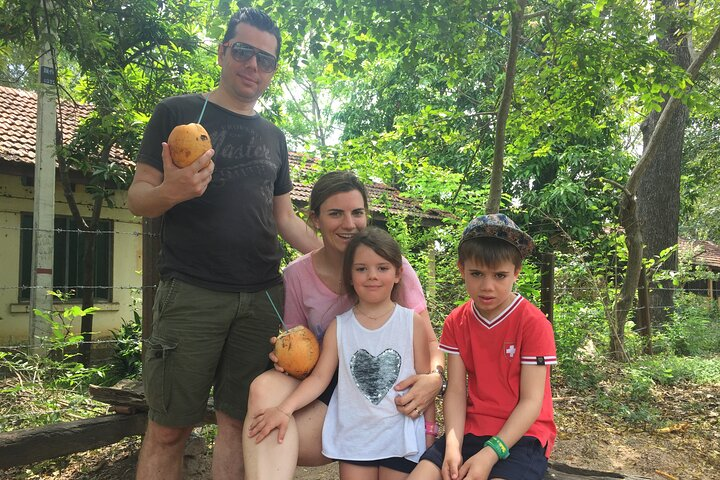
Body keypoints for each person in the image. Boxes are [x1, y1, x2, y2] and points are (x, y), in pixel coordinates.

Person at [127, 8, 321, 480]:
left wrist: (349, 260)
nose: (254, 65)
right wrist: (171, 192)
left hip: (262, 300)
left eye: (266, 59)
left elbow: (284, 218)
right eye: (243, 51)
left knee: (238, 424)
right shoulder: (176, 114)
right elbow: (136, 197)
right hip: (192, 294)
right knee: (169, 428)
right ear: (222, 52)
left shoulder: (274, 137)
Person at [242, 171, 446, 479]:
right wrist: (284, 357)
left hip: (385, 400)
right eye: (336, 213)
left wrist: (435, 377)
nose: (349, 224)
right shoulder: (298, 275)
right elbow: (299, 342)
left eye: (357, 212)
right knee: (263, 388)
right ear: (315, 219)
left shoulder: (397, 269)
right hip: (324, 379)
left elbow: (430, 342)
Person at [408, 214, 557, 480]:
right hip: (470, 429)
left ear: (516, 272)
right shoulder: (457, 321)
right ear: (461, 269)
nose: (487, 287)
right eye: (476, 274)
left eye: (500, 275)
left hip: (523, 436)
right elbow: (454, 390)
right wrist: (453, 446)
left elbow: (532, 401)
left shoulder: (533, 323)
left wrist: (490, 454)